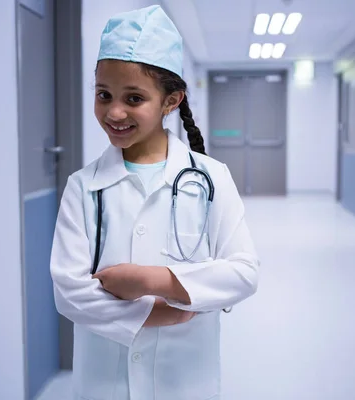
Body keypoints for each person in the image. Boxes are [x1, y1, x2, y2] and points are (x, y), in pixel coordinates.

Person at [50, 5, 259, 400]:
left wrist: (153, 280)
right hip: (103, 383)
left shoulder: (212, 178)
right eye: (103, 95)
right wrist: (158, 312)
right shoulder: (82, 187)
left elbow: (244, 272)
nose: (114, 111)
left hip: (184, 380)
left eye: (134, 98)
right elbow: (69, 291)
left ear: (171, 101)